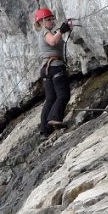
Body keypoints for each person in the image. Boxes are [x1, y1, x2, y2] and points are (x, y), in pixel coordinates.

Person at [33, 8, 72, 136]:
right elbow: (53, 41)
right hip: (55, 66)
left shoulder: (45, 33)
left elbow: (55, 37)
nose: (51, 21)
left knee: (50, 99)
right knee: (63, 95)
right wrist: (61, 31)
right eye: (48, 19)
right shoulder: (45, 32)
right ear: (41, 22)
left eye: (52, 18)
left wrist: (62, 30)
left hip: (46, 69)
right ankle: (54, 120)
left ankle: (45, 129)